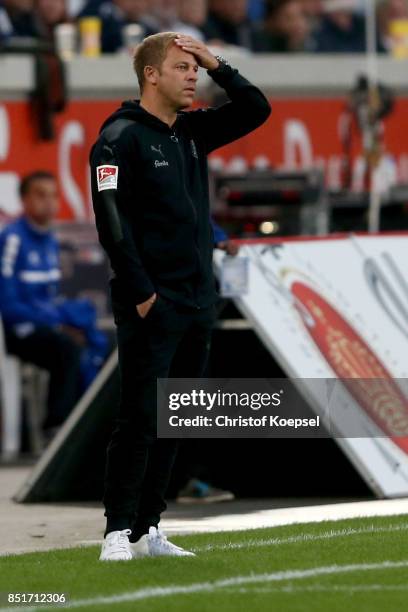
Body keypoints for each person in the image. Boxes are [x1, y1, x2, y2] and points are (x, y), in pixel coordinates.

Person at [90, 31, 270, 560]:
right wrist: (143, 294)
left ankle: (149, 529)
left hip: (197, 300)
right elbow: (112, 225)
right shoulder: (119, 138)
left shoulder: (191, 132)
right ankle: (116, 531)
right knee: (140, 417)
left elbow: (256, 108)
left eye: (196, 67)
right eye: (183, 66)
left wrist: (219, 62)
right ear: (151, 74)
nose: (194, 75)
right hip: (153, 304)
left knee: (175, 417)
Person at [0, 171, 108, 439]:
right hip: (15, 331)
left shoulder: (50, 239)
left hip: (46, 325)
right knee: (66, 347)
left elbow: (50, 298)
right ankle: (57, 429)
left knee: (99, 339)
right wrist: (56, 322)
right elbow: (7, 304)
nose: (49, 202)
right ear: (24, 201)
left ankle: (92, 425)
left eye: (53, 195)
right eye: (40, 195)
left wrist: (64, 319)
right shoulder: (12, 239)